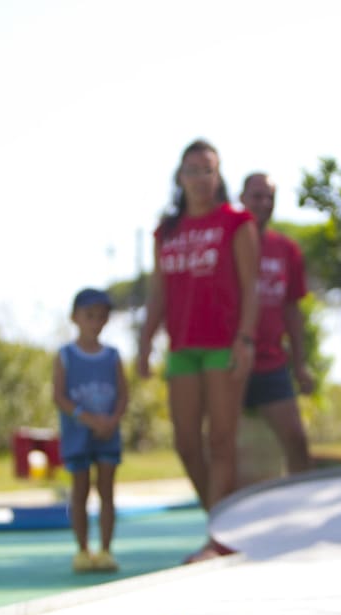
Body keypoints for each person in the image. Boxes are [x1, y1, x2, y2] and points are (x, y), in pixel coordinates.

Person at [137, 139, 260, 562]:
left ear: (218, 176)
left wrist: (246, 338)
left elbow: (251, 287)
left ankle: (216, 538)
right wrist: (144, 339)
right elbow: (158, 290)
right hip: (183, 346)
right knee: (187, 443)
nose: (201, 178)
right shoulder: (165, 231)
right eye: (193, 170)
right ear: (180, 176)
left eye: (209, 170)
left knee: (222, 441)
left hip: (223, 344)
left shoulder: (236, 222)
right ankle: (224, 525)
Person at [237, 172, 312, 475]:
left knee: (297, 442)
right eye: (257, 195)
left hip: (271, 364)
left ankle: (299, 514)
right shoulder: (226, 243)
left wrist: (300, 364)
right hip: (232, 363)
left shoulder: (286, 250)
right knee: (221, 448)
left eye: (270, 197)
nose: (264, 202)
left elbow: (292, 309)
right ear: (241, 199)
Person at [53, 287, 128, 573]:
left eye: (101, 317)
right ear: (75, 317)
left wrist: (111, 421)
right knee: (79, 492)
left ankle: (106, 550)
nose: (95, 322)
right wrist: (87, 418)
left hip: (108, 435)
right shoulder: (65, 355)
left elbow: (123, 394)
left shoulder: (113, 355)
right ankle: (83, 550)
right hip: (78, 436)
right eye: (89, 315)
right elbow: (59, 396)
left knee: (107, 491)